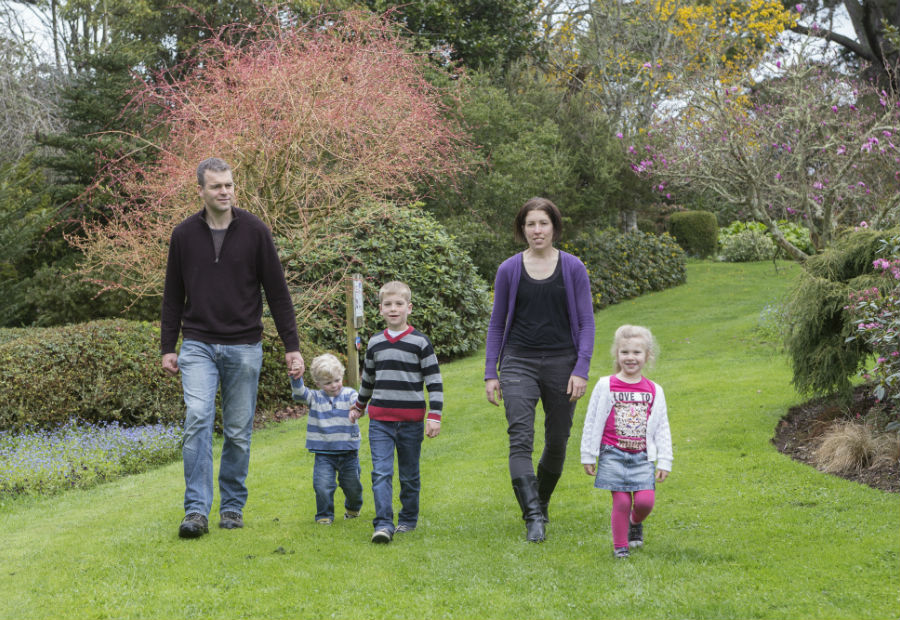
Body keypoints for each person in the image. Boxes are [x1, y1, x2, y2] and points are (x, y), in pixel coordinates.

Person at [161, 157, 305, 539]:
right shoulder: (183, 235)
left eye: (229, 185)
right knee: (197, 418)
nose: (224, 191)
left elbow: (277, 293)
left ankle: (231, 506)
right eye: (216, 186)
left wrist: (292, 346)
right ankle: (195, 511)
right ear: (201, 191)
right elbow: (173, 296)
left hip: (244, 345)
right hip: (197, 345)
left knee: (239, 432)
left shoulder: (256, 231)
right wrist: (167, 346)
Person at [484, 197, 595, 543]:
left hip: (564, 361)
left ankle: (542, 500)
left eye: (542, 223)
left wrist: (581, 368)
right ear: (522, 229)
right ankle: (532, 515)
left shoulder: (574, 268)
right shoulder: (509, 270)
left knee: (558, 439)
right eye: (530, 224)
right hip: (519, 361)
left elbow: (587, 322)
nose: (536, 230)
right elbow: (497, 324)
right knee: (520, 439)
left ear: (554, 227)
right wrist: (491, 372)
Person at [349, 281, 442, 544]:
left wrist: (434, 415)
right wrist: (358, 407)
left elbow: (434, 381)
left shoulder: (420, 342)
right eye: (388, 304)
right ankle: (383, 524)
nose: (393, 309)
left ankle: (408, 518)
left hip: (411, 422)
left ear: (409, 308)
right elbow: (367, 380)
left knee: (409, 474)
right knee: (381, 472)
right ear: (380, 309)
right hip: (380, 421)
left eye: (399, 304)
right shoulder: (375, 343)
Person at [580, 324, 672, 559]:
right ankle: (620, 547)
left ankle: (635, 521)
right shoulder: (605, 385)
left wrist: (664, 460)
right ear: (617, 354)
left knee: (645, 502)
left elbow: (662, 427)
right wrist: (588, 455)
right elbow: (592, 421)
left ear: (647, 356)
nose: (630, 358)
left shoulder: (655, 390)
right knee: (621, 501)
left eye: (636, 353)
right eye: (625, 352)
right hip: (613, 454)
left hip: (642, 457)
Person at [290, 353, 363, 525]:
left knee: (352, 486)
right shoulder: (315, 398)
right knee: (322, 486)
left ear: (342, 377)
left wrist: (356, 410)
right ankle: (324, 514)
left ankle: (353, 508)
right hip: (324, 453)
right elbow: (299, 393)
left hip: (348, 452)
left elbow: (359, 403)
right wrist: (296, 377)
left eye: (337, 380)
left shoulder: (350, 394)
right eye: (328, 383)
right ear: (318, 384)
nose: (334, 386)